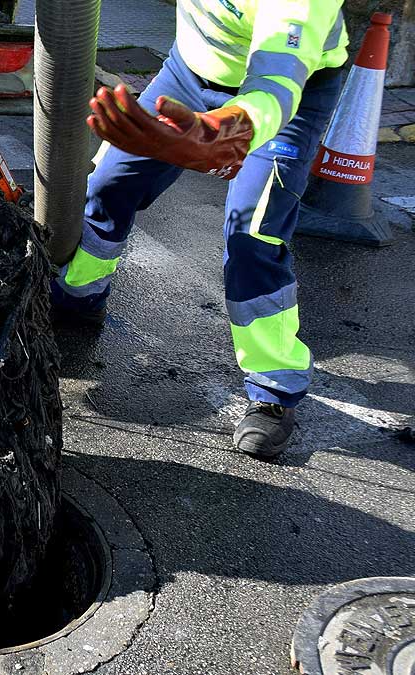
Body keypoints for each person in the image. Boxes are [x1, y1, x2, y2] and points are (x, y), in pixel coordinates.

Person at [52, 0, 349, 459]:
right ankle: (80, 295)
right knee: (109, 185)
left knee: (252, 236)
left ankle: (275, 389)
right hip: (189, 74)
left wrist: (231, 129)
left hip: (289, 96)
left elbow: (277, 83)